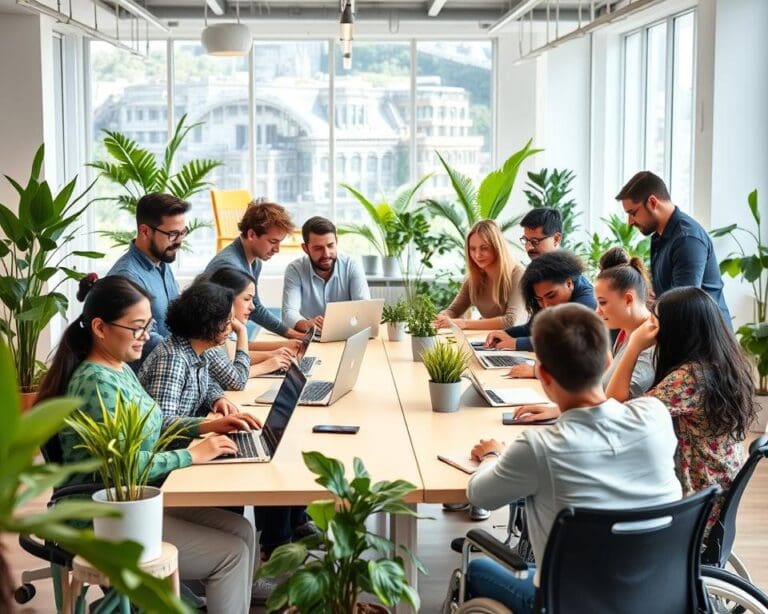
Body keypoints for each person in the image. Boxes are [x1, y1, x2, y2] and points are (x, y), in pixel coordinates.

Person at [37, 275, 259, 612]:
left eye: (149, 326)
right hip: (103, 513)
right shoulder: (97, 383)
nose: (147, 337)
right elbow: (121, 466)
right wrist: (189, 455)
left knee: (242, 531)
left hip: (131, 498)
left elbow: (150, 429)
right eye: (137, 328)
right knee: (231, 554)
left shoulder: (118, 368)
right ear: (100, 328)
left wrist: (205, 425)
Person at [461, 303, 682, 612]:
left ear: (543, 375)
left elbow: (479, 495)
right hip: (658, 593)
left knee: (474, 571)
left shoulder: (539, 447)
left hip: (569, 602)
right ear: (607, 359)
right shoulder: (655, 416)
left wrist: (494, 454)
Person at [608, 286, 757, 533]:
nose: (651, 331)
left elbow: (616, 409)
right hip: (714, 494)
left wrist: (634, 345)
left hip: (694, 512)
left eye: (655, 324)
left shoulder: (689, 378)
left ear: (677, 331)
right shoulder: (721, 364)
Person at [512, 247, 657, 423]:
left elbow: (614, 400)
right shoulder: (625, 332)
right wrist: (560, 410)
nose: (597, 311)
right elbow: (602, 387)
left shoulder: (647, 341)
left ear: (628, 300)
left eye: (602, 303)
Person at [616, 170, 731, 325]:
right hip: (683, 334)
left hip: (705, 340)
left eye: (633, 213)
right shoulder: (659, 236)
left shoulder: (687, 239)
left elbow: (682, 305)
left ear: (652, 202)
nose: (629, 221)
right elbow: (665, 296)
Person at [139, 282, 242, 424]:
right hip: (171, 445)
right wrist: (212, 425)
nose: (232, 327)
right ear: (208, 321)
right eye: (228, 320)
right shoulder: (173, 360)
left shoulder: (198, 348)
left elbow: (202, 384)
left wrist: (217, 399)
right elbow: (162, 422)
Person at [107, 193, 189, 365]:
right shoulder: (127, 276)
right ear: (145, 231)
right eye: (173, 234)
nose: (179, 241)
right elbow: (144, 338)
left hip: (175, 366)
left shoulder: (163, 262)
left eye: (183, 233)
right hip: (148, 379)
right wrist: (192, 351)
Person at [205, 200, 304, 341]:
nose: (277, 250)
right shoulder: (229, 266)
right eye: (273, 242)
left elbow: (254, 307)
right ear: (251, 235)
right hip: (216, 342)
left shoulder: (255, 262)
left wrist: (291, 334)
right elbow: (218, 333)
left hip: (228, 339)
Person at [483, 250, 596, 355]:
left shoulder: (588, 301)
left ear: (569, 283)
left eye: (551, 295)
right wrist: (505, 334)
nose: (546, 306)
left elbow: (565, 341)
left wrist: (515, 343)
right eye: (540, 299)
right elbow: (531, 328)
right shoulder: (546, 297)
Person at [204, 267, 294, 387]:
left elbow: (231, 358)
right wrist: (267, 365)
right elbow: (234, 378)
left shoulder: (225, 329)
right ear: (227, 299)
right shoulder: (210, 335)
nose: (252, 307)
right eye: (247, 299)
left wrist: (271, 355)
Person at [282, 216, 370, 332]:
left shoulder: (352, 266)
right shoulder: (295, 269)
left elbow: (363, 307)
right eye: (318, 248)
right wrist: (306, 324)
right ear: (305, 248)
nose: (326, 254)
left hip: (346, 334)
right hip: (310, 336)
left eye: (330, 245)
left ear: (336, 242)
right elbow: (288, 312)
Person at [434, 220, 526, 330]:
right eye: (472, 249)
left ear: (497, 247)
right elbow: (454, 310)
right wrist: (443, 317)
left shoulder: (517, 274)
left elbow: (511, 321)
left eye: (484, 248)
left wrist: (463, 323)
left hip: (518, 342)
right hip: (491, 341)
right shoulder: (473, 279)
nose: (477, 255)